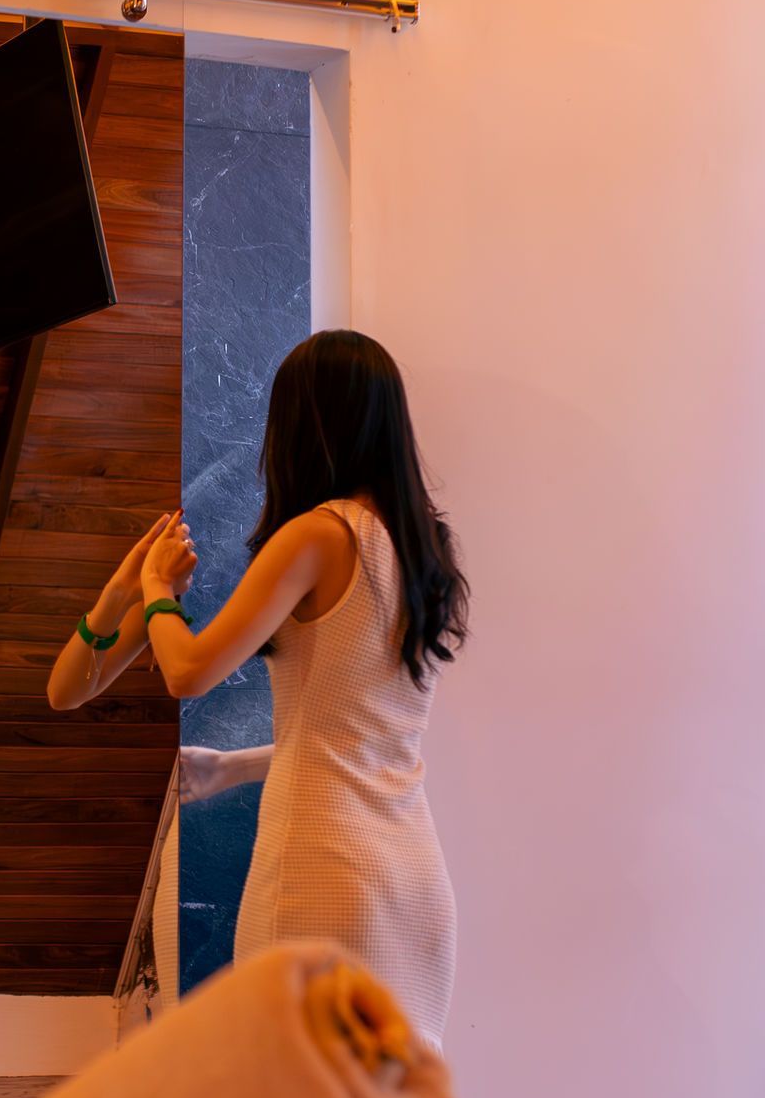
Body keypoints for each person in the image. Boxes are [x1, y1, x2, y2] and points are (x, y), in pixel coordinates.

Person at [67, 330, 467, 1045]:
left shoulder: (317, 535)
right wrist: (232, 767)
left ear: (303, 425)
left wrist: (155, 589)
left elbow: (187, 671)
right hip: (414, 879)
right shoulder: (425, 550)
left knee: (286, 1086)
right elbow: (352, 736)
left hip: (323, 867)